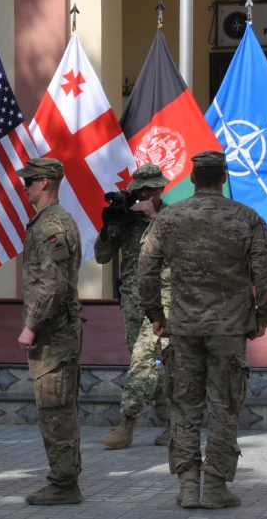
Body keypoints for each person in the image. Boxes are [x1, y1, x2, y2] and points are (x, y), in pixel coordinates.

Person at [139, 150, 267, 509]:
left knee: (184, 405)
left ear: (193, 178)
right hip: (230, 331)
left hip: (183, 328)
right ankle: (215, 487)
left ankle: (188, 487)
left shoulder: (169, 218)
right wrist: (263, 317)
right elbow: (265, 275)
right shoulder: (247, 218)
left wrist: (156, 313)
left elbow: (146, 270)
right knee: (224, 406)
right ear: (222, 178)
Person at [16, 157, 83, 505]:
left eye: (29, 181)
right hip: (59, 332)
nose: (25, 187)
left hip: (53, 335)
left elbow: (54, 284)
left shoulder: (51, 226)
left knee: (55, 410)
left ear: (45, 183)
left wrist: (30, 326)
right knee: (61, 408)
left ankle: (63, 484)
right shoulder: (55, 221)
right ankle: (66, 479)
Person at [95, 164, 171, 448]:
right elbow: (102, 257)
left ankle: (126, 425)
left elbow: (179, 250)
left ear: (161, 188)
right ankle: (174, 424)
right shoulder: (127, 217)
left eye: (151, 188)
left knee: (143, 359)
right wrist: (108, 227)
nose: (145, 193)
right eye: (141, 188)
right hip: (132, 299)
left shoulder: (171, 216)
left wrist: (153, 219)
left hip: (164, 300)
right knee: (151, 363)